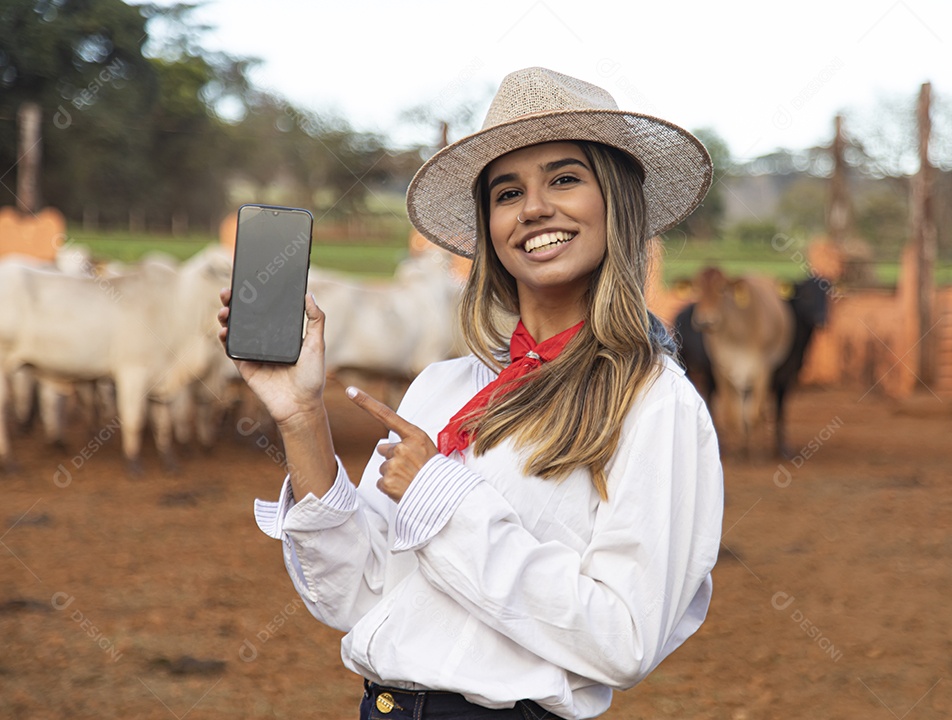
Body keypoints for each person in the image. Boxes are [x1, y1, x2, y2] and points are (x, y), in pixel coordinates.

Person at [217, 66, 724, 720]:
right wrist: (301, 416)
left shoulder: (657, 405)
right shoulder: (445, 385)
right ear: (489, 225)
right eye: (507, 192)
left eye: (564, 179)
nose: (534, 207)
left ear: (616, 202)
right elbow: (357, 594)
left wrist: (440, 499)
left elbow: (623, 636)